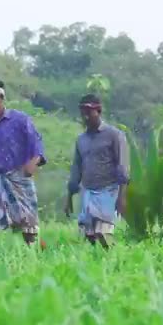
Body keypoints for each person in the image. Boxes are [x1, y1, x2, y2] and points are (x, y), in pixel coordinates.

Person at [0, 78, 46, 257]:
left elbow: (36, 145)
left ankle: (41, 261)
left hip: (18, 177)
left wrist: (33, 162)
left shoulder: (20, 120)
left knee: (29, 230)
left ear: (0, 97)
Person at [64, 95, 129, 249]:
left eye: (89, 112)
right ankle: (99, 261)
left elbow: (122, 166)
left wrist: (122, 197)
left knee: (103, 232)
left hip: (109, 189)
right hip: (88, 190)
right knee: (89, 233)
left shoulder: (114, 135)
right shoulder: (81, 140)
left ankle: (114, 257)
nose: (85, 116)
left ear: (98, 111)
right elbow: (76, 169)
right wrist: (69, 197)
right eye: (82, 112)